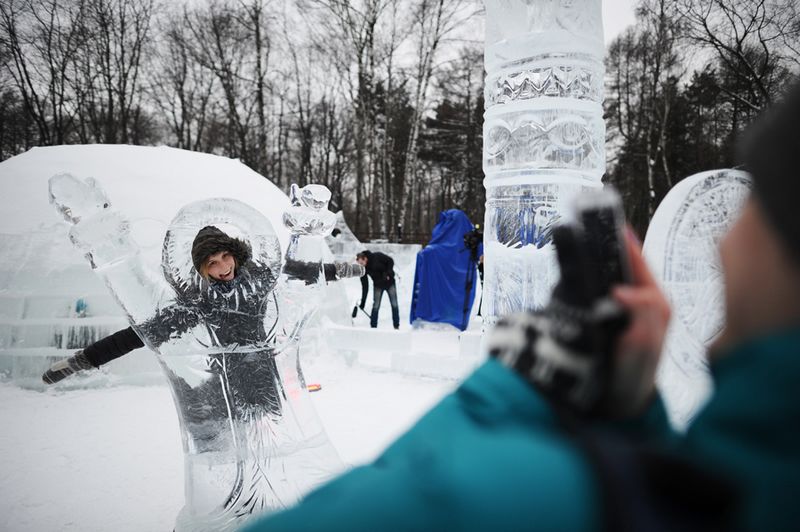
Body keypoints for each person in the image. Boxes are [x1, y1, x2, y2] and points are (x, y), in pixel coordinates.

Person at [243, 81, 800, 532]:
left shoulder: (561, 499)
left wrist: (531, 378)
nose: (726, 237)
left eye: (757, 201)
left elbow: (417, 495)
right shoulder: (725, 481)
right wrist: (631, 417)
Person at [43, 225, 363, 385]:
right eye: (212, 263)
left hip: (266, 372)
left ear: (235, 253)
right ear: (202, 270)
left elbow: (298, 273)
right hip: (225, 382)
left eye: (225, 256)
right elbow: (142, 333)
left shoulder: (257, 276)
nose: (224, 267)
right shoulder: (201, 304)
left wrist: (342, 270)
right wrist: (81, 361)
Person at [356, 250, 399, 329]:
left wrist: (388, 272)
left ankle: (396, 326)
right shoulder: (363, 269)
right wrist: (363, 302)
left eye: (361, 263)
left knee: (394, 304)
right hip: (378, 286)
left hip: (390, 283)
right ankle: (373, 327)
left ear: (365, 258)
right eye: (359, 264)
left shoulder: (376, 256)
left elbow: (390, 260)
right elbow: (365, 286)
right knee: (376, 306)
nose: (361, 265)